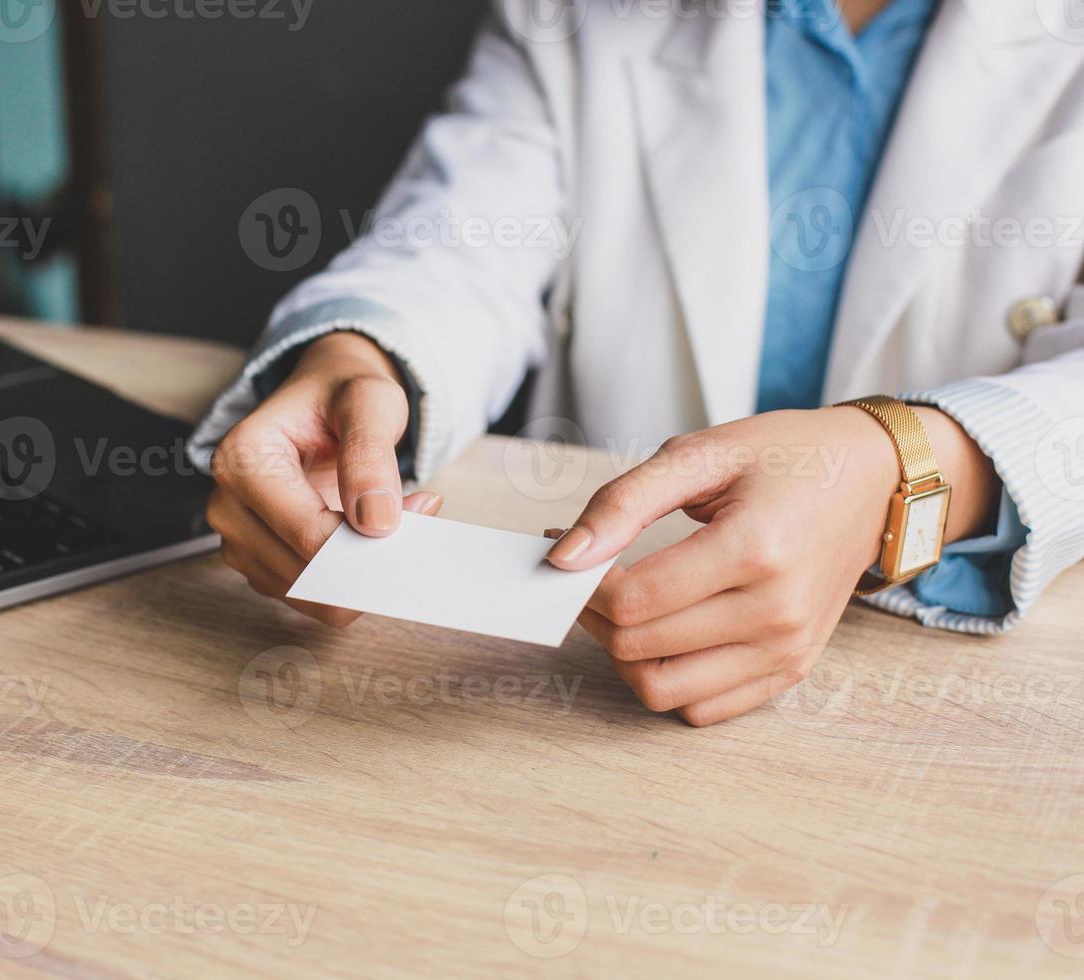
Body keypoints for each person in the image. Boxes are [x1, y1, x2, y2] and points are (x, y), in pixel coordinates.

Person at [187, 0, 1084, 725]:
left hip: (943, 697)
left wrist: (906, 469)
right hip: (580, 697)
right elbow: (461, 240)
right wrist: (361, 353)